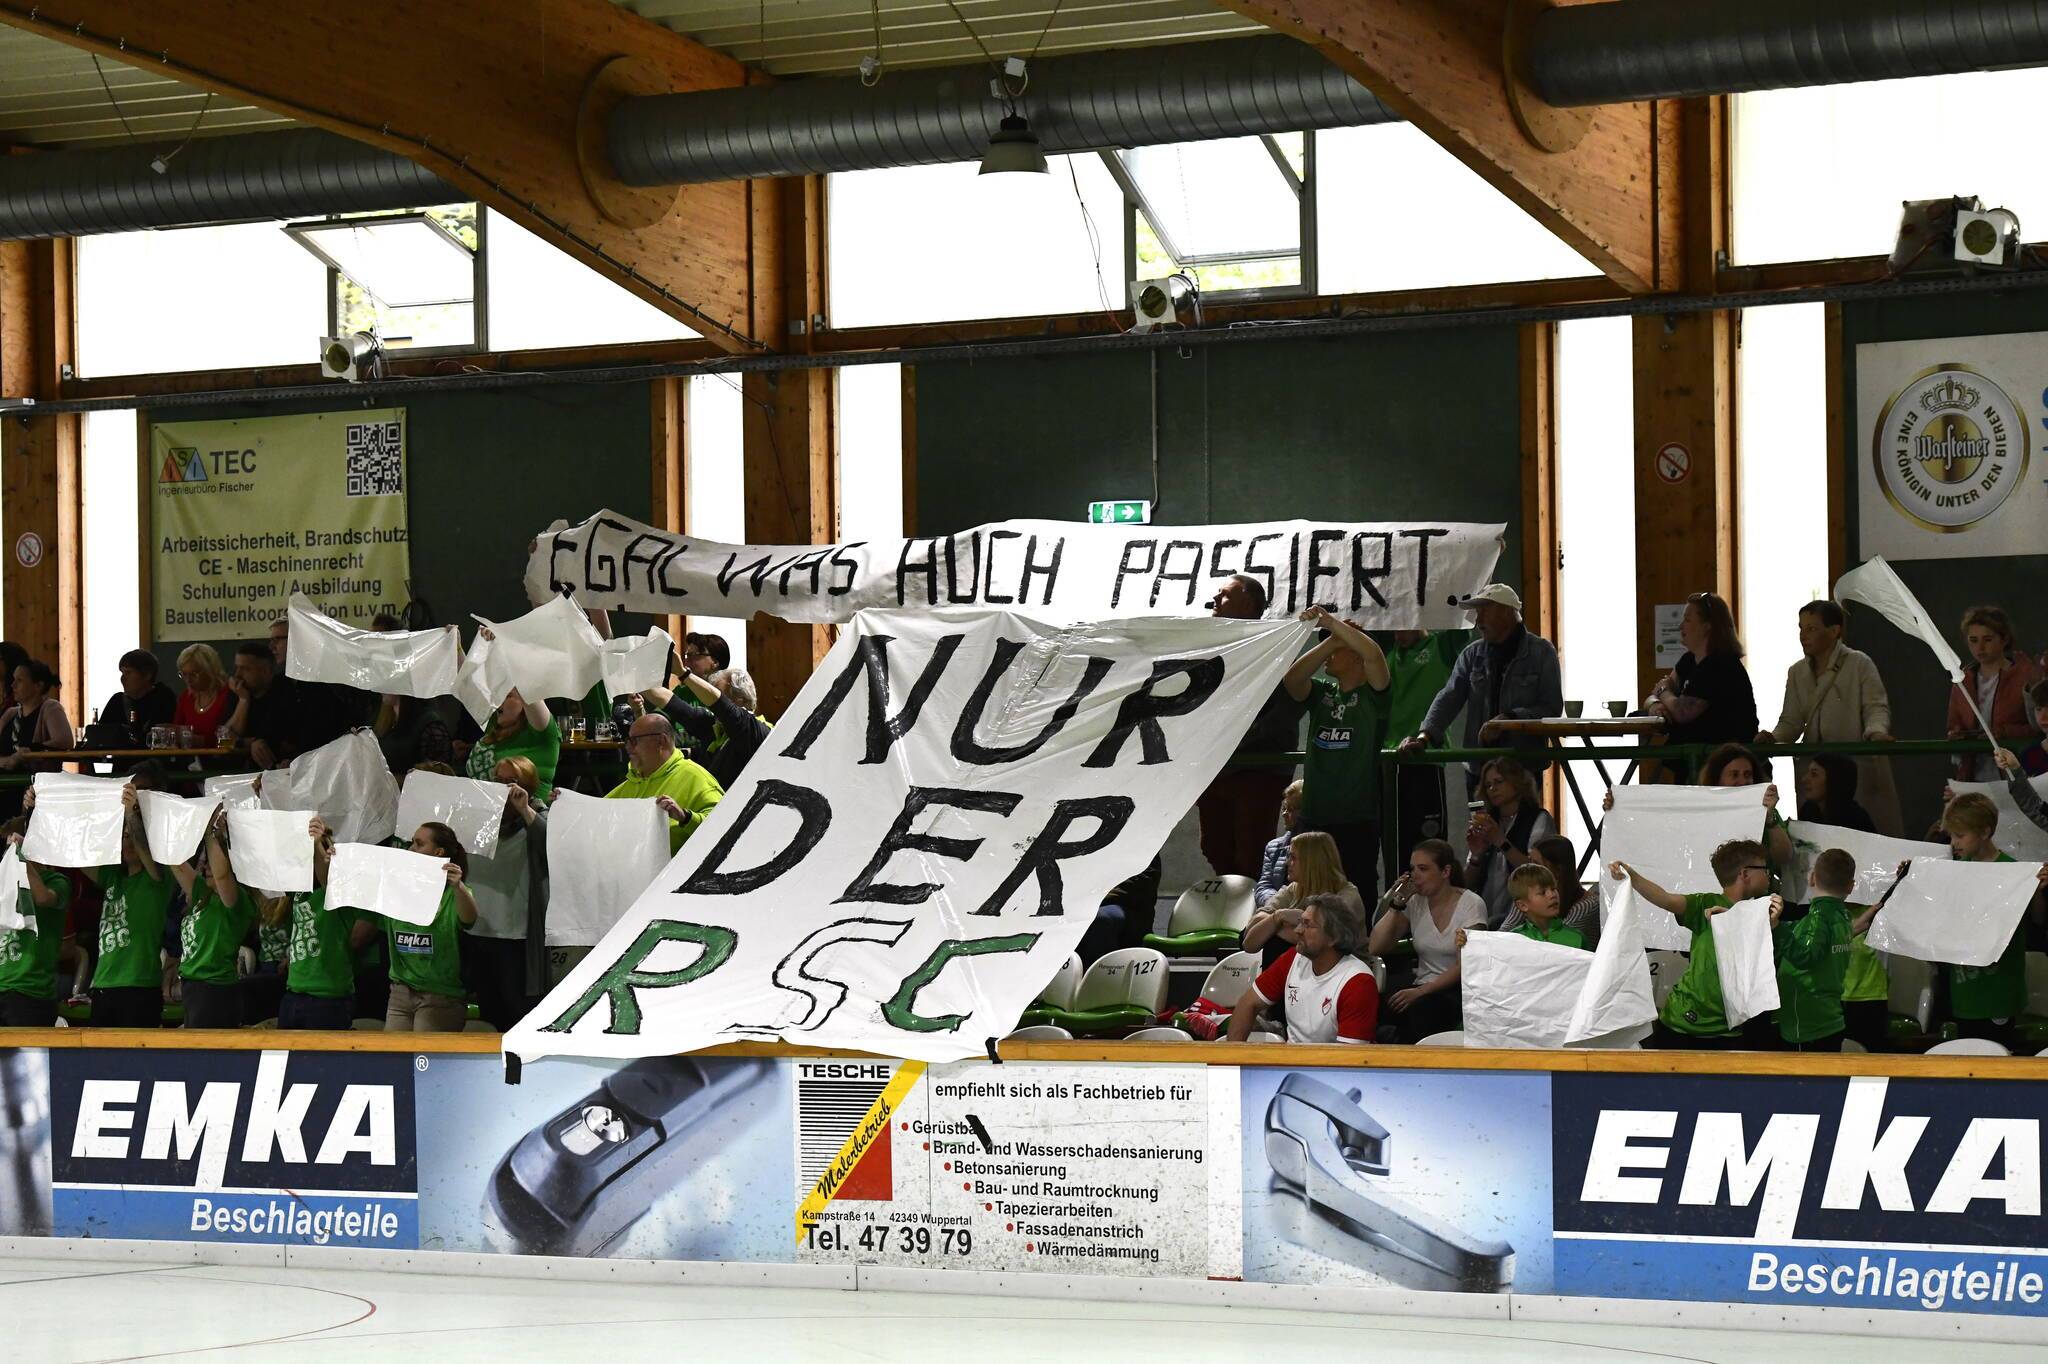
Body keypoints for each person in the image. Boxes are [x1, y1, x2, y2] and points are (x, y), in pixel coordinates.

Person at [1611, 839, 1781, 1050]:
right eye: (1764, 869)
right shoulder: (1705, 904)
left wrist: (1772, 924)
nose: (1768, 875)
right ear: (1745, 874)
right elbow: (1665, 899)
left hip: (1729, 1027)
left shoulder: (1763, 914)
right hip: (1681, 1023)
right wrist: (1631, 876)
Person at [1758, 599, 1902, 834]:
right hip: (1813, 768)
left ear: (1834, 631)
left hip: (1852, 768)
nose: (1803, 635)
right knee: (1816, 832)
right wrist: (1772, 738)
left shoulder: (1859, 664)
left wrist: (1876, 732)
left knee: (1858, 830)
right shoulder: (1797, 672)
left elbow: (1876, 707)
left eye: (1811, 628)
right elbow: (1791, 721)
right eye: (1801, 628)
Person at [1195, 574, 1301, 879]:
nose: (1215, 599)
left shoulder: (1276, 647)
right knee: (1214, 846)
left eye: (1225, 594)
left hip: (1257, 766)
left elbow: (1281, 712)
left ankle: (1253, 904)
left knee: (1251, 850)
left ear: (1248, 604)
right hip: (1217, 765)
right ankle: (1234, 901)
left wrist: (1230, 742)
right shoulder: (1210, 650)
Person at [1283, 607, 1391, 904]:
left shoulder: (1374, 695)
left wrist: (1334, 623)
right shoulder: (1322, 693)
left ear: (1355, 654)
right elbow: (1292, 679)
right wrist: (1333, 639)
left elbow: (1374, 656)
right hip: (1314, 816)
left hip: (1355, 819)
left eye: (1338, 648)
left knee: (1356, 896)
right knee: (1307, 896)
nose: (1327, 654)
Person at [1402, 584, 1563, 779]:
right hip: (1480, 769)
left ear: (1506, 611)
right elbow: (1448, 698)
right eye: (1477, 613)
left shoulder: (1542, 652)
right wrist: (1423, 737)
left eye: (1484, 611)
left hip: (1523, 770)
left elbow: (1551, 708)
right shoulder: (1471, 655)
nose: (1478, 620)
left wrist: (1510, 719)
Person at [1924, 792, 2039, 1048]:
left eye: (1960, 835)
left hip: (1997, 994)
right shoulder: (1956, 869)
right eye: (1951, 836)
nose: (1954, 843)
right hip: (1964, 992)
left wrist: (2040, 892)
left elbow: (2034, 921)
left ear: (1985, 832)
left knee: (1995, 1057)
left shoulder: (2011, 870)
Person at [358, 822, 478, 1033]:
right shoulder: (394, 890)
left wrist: (458, 887)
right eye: (412, 843)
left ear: (438, 852)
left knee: (426, 1054)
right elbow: (356, 884)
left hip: (440, 995)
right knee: (393, 1053)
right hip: (400, 992)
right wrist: (336, 859)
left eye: (419, 844)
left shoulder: (454, 893)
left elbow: (469, 919)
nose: (411, 849)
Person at [1368, 838, 1486, 1042]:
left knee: (1422, 1012)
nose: (1415, 875)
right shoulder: (1415, 903)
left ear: (1445, 872)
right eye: (1412, 869)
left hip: (1457, 990)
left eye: (1423, 869)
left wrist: (1421, 992)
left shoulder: (1471, 904)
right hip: (1421, 986)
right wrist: (1396, 904)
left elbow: (1464, 965)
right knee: (1372, 1004)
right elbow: (1376, 946)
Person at [466, 757, 552, 1032]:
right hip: (480, 930)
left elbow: (550, 845)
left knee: (517, 1010)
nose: (503, 788)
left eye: (510, 782)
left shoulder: (539, 815)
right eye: (498, 781)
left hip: (516, 936)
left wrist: (524, 809)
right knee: (489, 1011)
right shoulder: (482, 819)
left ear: (527, 786)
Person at [1225, 892, 1377, 1045]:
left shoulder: (1358, 982)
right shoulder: (1293, 958)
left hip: (1331, 1060)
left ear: (1333, 937)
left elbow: (1350, 1056)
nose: (1298, 930)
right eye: (1300, 922)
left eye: (1307, 924)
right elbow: (1248, 1003)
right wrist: (1234, 1055)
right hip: (1291, 1057)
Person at [78, 784, 171, 1028]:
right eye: (123, 836)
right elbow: (75, 854)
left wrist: (131, 814)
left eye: (132, 835)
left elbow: (146, 852)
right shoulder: (112, 876)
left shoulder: (159, 877)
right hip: (102, 986)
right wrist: (37, 810)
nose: (127, 841)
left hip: (140, 988)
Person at [1382, 625, 1469, 863]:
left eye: (1404, 625)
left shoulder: (1441, 645)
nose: (1398, 634)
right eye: (1394, 627)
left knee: (1430, 844)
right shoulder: (1389, 652)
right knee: (1395, 844)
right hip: (1391, 760)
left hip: (1426, 756)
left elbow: (1460, 623)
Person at [269, 817, 358, 1030]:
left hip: (328, 999)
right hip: (293, 993)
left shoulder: (341, 892)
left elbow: (327, 880)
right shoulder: (300, 893)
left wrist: (316, 844)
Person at [168, 807, 251, 1029]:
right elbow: (175, 861)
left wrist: (209, 834)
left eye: (211, 861)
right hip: (193, 988)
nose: (206, 866)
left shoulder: (237, 900)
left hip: (215, 992)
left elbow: (222, 875)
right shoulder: (202, 895)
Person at [1242, 831, 1366, 971]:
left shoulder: (1346, 896)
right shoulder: (1295, 889)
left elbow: (1321, 943)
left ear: (1312, 862)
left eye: (1293, 857)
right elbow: (1249, 942)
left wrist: (1273, 927)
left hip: (1342, 974)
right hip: (1298, 976)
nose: (1287, 862)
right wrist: (1278, 916)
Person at [1772, 847, 1856, 1052]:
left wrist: (1777, 928)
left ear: (1811, 878)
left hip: (1808, 1025)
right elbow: (1802, 933)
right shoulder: (1843, 917)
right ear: (1851, 886)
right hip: (1827, 1018)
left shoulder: (1819, 917)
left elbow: (1806, 955)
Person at [1650, 592, 1757, 747]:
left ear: (1707, 626)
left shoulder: (1721, 664)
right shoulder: (1688, 660)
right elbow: (1655, 693)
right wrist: (1655, 705)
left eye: (1687, 620)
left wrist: (1662, 692)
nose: (1680, 626)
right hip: (1690, 754)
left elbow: (1682, 711)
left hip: (1723, 757)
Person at [1947, 606, 2042, 781]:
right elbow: (1953, 724)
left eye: (1988, 639)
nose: (1980, 647)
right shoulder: (1962, 681)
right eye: (1973, 640)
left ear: (2004, 639)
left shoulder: (2025, 675)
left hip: (2017, 774)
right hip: (1973, 776)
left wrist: (2005, 732)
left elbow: (2040, 727)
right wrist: (1957, 733)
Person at [643, 666, 772, 794]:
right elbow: (671, 703)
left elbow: (725, 708)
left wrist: (683, 673)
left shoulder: (757, 732)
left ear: (741, 700)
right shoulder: (716, 727)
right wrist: (635, 681)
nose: (710, 705)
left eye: (717, 696)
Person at [609, 714, 724, 854]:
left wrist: (685, 817)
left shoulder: (696, 778)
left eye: (634, 741)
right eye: (627, 740)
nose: (627, 746)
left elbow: (724, 829)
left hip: (676, 867)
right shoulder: (631, 782)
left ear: (661, 741)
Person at [222, 639, 343, 769]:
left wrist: (241, 742)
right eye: (237, 668)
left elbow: (281, 742)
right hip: (241, 769)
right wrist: (243, 701)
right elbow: (222, 743)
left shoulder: (285, 692)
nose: (237, 674)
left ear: (265, 671)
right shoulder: (239, 693)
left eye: (245, 669)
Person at [0, 817, 74, 1025]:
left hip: (30, 991)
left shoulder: (57, 881)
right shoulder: (6, 882)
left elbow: (43, 898)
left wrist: (21, 858)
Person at [1466, 756, 1556, 925]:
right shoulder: (1488, 821)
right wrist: (1476, 855)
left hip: (1524, 916)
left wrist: (1501, 841)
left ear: (1516, 781)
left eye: (1499, 782)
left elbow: (1538, 873)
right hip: (1485, 913)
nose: (1493, 789)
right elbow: (1467, 885)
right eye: (1488, 785)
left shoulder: (1537, 818)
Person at [465, 687, 562, 801]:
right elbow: (468, 683)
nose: (498, 700)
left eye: (507, 696)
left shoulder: (542, 732)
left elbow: (528, 688)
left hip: (527, 810)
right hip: (483, 808)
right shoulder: (494, 727)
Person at [1502, 836, 1602, 947]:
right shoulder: (1528, 899)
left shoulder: (1586, 906)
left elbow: (1561, 943)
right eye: (1530, 862)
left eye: (1537, 864)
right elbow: (1501, 936)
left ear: (1558, 870)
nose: (1532, 869)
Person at [1076, 856, 1162, 965]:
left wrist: (1099, 896)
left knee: (1099, 918)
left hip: (1130, 910)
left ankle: (1100, 971)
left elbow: (1141, 884)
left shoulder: (1146, 849)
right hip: (1093, 905)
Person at [0, 658, 74, 766]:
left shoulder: (50, 708)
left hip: (36, 776)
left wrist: (31, 751)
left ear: (38, 686)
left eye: (19, 680)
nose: (13, 685)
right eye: (14, 679)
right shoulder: (10, 714)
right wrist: (10, 760)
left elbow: (65, 741)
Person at [99, 650, 176, 749]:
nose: (122, 678)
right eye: (122, 673)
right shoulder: (117, 701)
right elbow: (100, 737)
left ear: (147, 675)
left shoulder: (164, 699)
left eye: (128, 672)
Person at [1502, 864, 1584, 948]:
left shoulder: (1577, 938)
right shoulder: (1514, 940)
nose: (1552, 895)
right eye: (1542, 892)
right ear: (1522, 905)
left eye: (1553, 889)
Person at [1254, 781, 1305, 909]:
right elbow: (1263, 886)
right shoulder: (1273, 847)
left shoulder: (1318, 846)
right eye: (1284, 808)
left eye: (1291, 809)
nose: (1284, 814)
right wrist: (1277, 902)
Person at [172, 644, 234, 748]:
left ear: (210, 671)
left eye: (194, 674)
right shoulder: (186, 698)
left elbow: (230, 738)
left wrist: (197, 740)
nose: (188, 680)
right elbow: (177, 730)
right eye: (184, 674)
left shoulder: (228, 695)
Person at [1796, 754, 1875, 833]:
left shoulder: (1857, 820)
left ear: (1834, 780)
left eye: (1814, 774)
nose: (1804, 779)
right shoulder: (1808, 811)